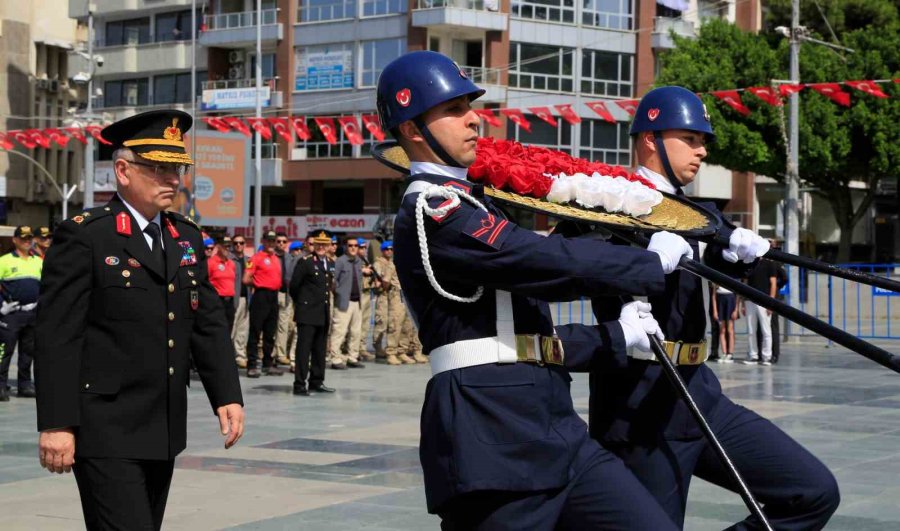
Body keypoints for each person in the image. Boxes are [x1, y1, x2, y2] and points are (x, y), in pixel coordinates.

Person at [379, 50, 695, 529]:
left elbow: (524, 332)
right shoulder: (434, 210)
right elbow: (534, 260)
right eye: (454, 110)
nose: (473, 119)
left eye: (470, 106)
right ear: (412, 129)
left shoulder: (474, 204)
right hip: (492, 436)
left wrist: (614, 334)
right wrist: (648, 263)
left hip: (555, 427)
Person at [588, 86, 839, 529]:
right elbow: (590, 264)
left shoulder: (698, 213)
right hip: (639, 403)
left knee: (813, 492)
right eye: (690, 138)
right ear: (650, 139)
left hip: (698, 392)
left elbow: (719, 258)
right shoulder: (607, 202)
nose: (702, 151)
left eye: (703, 141)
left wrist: (737, 252)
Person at [33, 110, 244, 530]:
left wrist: (227, 394)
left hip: (163, 425)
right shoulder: (88, 235)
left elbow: (206, 322)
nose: (172, 180)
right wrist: (57, 424)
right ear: (123, 171)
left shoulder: (184, 235)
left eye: (177, 169)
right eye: (159, 169)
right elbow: (57, 335)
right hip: (105, 427)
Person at [289, 231, 335, 396]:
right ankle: (299, 384)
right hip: (307, 313)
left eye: (324, 244)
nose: (321, 247)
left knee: (319, 350)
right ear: (314, 245)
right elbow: (294, 286)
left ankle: (316, 381)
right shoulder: (306, 262)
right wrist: (303, 303)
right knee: (303, 350)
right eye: (318, 244)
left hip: (322, 312)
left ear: (329, 246)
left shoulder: (330, 263)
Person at [0, 226, 42, 401]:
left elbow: (46, 286)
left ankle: (24, 385)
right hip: (11, 313)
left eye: (29, 238)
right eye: (23, 238)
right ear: (15, 240)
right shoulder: (4, 261)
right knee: (4, 351)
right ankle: (0, 386)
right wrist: (1, 306)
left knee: (28, 352)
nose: (26, 241)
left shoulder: (38, 261)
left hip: (32, 313)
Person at [242, 230, 285, 378]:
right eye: (269, 240)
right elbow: (246, 278)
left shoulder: (276, 258)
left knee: (270, 332)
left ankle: (268, 364)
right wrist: (258, 283)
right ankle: (252, 365)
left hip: (273, 296)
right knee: (255, 331)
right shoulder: (256, 258)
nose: (272, 243)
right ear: (264, 241)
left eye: (274, 241)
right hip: (261, 295)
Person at [328, 237, 370, 369]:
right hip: (343, 302)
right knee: (339, 332)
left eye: (355, 246)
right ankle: (335, 359)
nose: (353, 248)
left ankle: (353, 357)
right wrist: (339, 293)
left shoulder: (358, 261)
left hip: (357, 302)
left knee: (356, 332)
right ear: (346, 247)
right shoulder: (340, 261)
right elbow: (333, 281)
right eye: (350, 245)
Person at [372, 241, 407, 365]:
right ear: (382, 250)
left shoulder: (397, 262)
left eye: (391, 249)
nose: (389, 251)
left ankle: (401, 350)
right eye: (387, 249)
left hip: (399, 296)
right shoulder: (381, 263)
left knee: (402, 324)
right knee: (384, 323)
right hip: (386, 295)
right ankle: (382, 349)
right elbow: (383, 281)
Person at [742, 257, 779, 366]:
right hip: (749, 300)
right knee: (751, 330)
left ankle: (767, 356)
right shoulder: (748, 263)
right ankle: (753, 355)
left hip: (764, 301)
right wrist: (743, 302)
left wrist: (770, 303)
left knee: (766, 330)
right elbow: (745, 282)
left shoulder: (769, 264)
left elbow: (773, 283)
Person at [273, 232, 297, 367]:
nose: (281, 244)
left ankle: (281, 354)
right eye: (279, 241)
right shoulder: (270, 256)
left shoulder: (290, 258)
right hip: (271, 294)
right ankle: (270, 353)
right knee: (270, 325)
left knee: (283, 325)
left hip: (285, 294)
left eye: (284, 242)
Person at [208, 235, 238, 336]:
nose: (227, 248)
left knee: (229, 329)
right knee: (217, 329)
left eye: (229, 246)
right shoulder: (211, 263)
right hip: (217, 300)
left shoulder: (231, 264)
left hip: (230, 301)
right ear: (219, 246)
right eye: (225, 246)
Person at [355, 238, 377, 362]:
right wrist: (362, 270)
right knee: (357, 323)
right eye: (361, 247)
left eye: (364, 247)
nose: (363, 250)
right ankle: (354, 348)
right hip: (358, 294)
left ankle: (362, 347)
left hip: (367, 292)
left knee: (366, 322)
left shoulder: (365, 260)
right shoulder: (354, 261)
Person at [230, 235, 250, 368]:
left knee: (243, 329)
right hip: (233, 298)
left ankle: (240, 356)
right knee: (232, 328)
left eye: (241, 243)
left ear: (245, 244)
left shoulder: (249, 260)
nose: (238, 245)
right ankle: (228, 355)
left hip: (246, 298)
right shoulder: (229, 259)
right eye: (236, 243)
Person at [711, 283, 737, 363]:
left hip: (730, 299)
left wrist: (736, 309)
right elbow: (713, 295)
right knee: (722, 330)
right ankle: (724, 353)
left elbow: (737, 295)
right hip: (720, 300)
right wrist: (715, 310)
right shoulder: (717, 280)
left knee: (730, 329)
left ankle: (730, 354)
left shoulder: (733, 278)